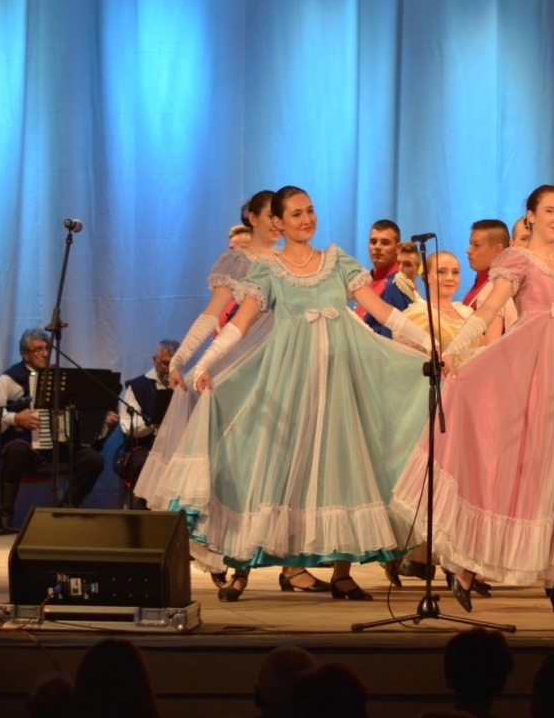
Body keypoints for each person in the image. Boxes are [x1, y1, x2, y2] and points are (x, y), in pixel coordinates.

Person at [157, 186, 434, 601]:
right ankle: (241, 567)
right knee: (268, 464)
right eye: (296, 214)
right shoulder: (268, 271)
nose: (307, 220)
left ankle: (341, 574)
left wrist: (431, 344)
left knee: (342, 468)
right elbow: (237, 325)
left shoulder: (337, 262)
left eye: (310, 211)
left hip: (338, 382)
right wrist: (202, 364)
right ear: (278, 222)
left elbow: (383, 312)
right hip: (287, 380)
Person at [392, 184, 554, 614]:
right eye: (549, 210)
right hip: (529, 372)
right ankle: (468, 565)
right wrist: (453, 349)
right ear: (531, 216)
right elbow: (487, 311)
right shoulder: (517, 260)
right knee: (521, 467)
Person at [133, 190, 281, 528]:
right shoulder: (239, 260)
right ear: (253, 218)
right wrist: (180, 359)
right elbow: (213, 314)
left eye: (280, 216)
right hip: (246, 358)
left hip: (284, 358)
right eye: (270, 215)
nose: (276, 223)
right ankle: (218, 528)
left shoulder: (287, 260)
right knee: (234, 447)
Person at [0, 328, 106, 531]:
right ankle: (4, 517)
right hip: (26, 449)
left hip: (58, 447)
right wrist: (14, 418)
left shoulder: (62, 377)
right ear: (25, 354)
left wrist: (100, 419)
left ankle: (64, 512)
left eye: (47, 348)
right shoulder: (10, 379)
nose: (45, 354)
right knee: (16, 451)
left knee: (94, 459)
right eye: (38, 349)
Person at [115, 339, 178, 498]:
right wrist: (152, 423)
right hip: (144, 446)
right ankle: (145, 508)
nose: (169, 369)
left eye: (175, 364)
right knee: (145, 464)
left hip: (177, 447)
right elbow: (127, 425)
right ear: (154, 360)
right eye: (165, 363)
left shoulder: (186, 384)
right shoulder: (138, 386)